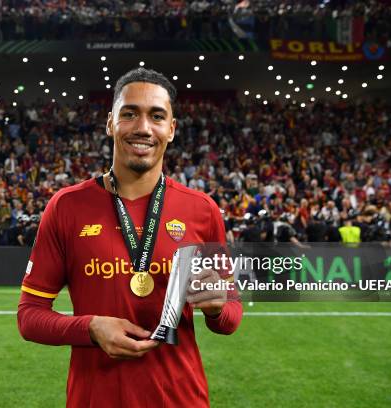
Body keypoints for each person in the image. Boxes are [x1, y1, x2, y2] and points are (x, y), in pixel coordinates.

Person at [17, 68, 242, 407]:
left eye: (156, 116)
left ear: (171, 129)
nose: (143, 128)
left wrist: (216, 307)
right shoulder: (66, 206)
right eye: (129, 114)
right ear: (110, 123)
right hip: (94, 398)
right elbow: (29, 316)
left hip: (180, 399)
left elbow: (230, 318)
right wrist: (90, 328)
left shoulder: (202, 210)